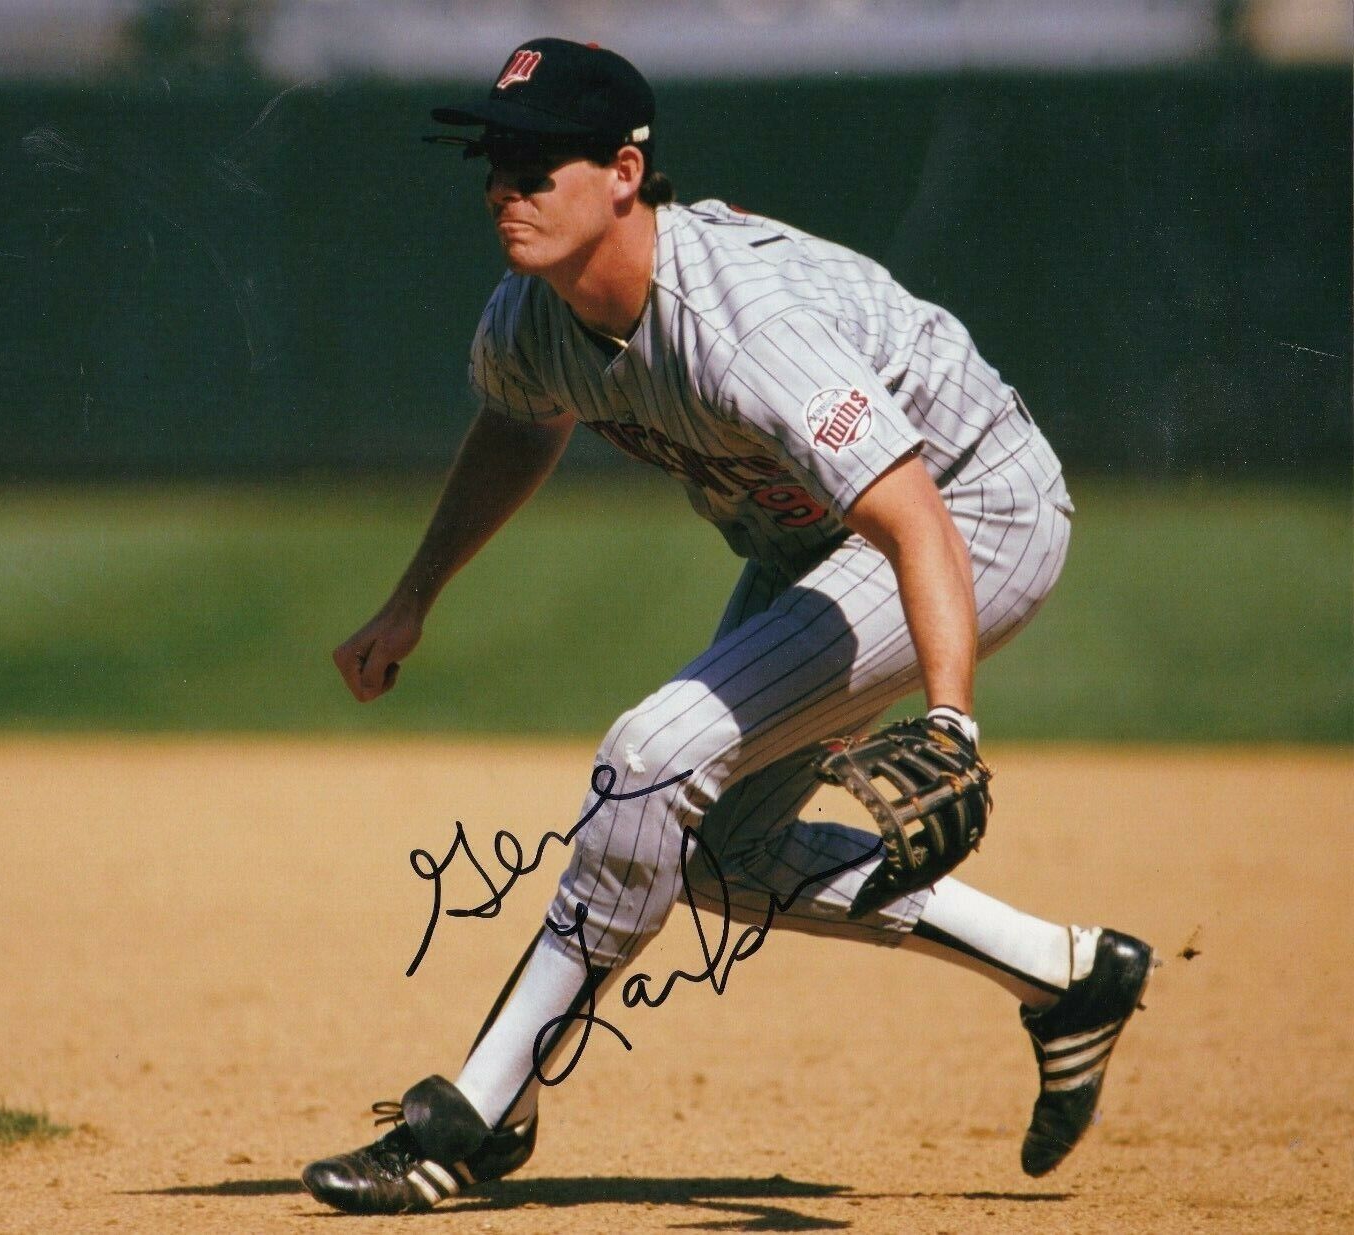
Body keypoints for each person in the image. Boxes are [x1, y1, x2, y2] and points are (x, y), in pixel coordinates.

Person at [303, 37, 1152, 1215]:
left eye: (540, 162)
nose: (507, 186)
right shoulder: (532, 312)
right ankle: (1068, 976)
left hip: (971, 512)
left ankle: (477, 1113)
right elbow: (517, 419)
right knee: (710, 852)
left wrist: (950, 723)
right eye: (496, 159)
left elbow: (913, 516)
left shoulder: (744, 327)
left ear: (622, 171)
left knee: (649, 759)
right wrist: (413, 595)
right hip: (818, 539)